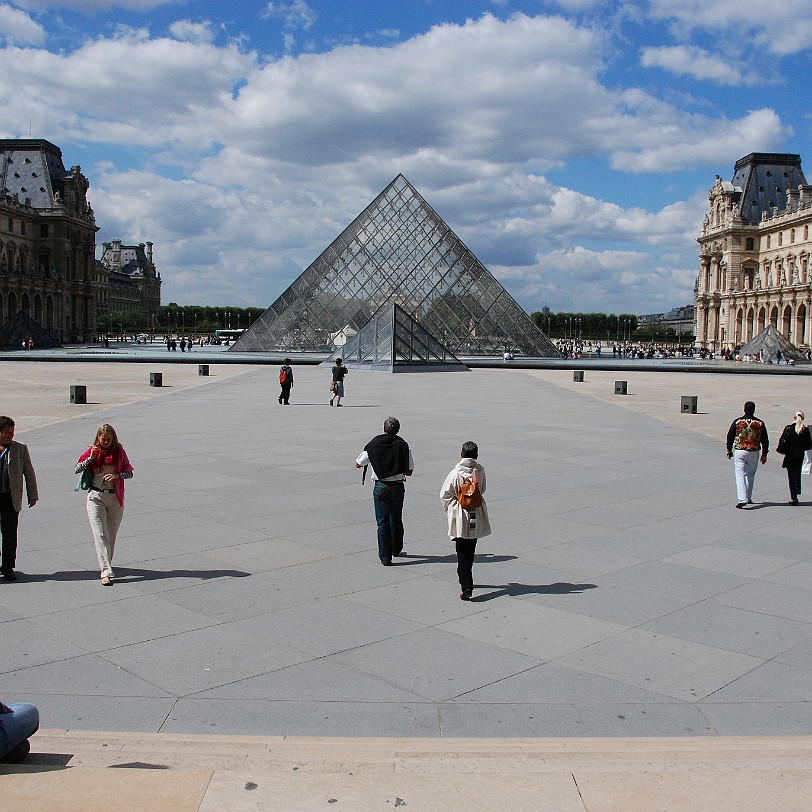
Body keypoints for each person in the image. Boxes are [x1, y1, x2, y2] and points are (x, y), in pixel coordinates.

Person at [75, 424, 134, 585]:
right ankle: (106, 571)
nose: (106, 442)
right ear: (98, 438)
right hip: (95, 497)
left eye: (109, 439)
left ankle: (106, 565)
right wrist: (91, 458)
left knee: (110, 536)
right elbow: (77, 469)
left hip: (115, 498)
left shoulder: (119, 452)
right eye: (103, 439)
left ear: (113, 438)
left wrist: (116, 475)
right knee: (100, 535)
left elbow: (130, 473)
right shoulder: (93, 451)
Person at [355, 417, 414, 565]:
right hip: (397, 485)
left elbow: (358, 463)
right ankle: (396, 548)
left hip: (380, 486)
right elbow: (409, 471)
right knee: (396, 518)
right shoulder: (403, 445)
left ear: (384, 428)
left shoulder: (374, 444)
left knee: (382, 523)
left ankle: (385, 557)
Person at [440, 441, 491, 600]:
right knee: (470, 550)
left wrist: (451, 509)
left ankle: (466, 585)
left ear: (461, 454)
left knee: (461, 552)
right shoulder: (480, 471)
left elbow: (444, 495)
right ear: (476, 456)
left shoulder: (455, 473)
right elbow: (482, 489)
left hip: (460, 515)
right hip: (475, 513)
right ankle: (466, 577)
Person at [0, 416, 39, 581]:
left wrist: (33, 495)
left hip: (10, 498)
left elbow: (29, 472)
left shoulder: (19, 449)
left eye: (12, 432)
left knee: (9, 534)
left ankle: (8, 567)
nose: (11, 435)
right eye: (7, 433)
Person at [726, 401, 769, 508]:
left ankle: (742, 498)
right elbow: (765, 440)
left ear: (744, 409)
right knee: (750, 474)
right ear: (754, 410)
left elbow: (730, 435)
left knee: (740, 474)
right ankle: (748, 497)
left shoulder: (738, 421)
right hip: (754, 451)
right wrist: (764, 454)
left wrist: (729, 449)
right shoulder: (759, 423)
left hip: (740, 450)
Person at [776, 410, 812, 505]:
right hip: (800, 455)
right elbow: (808, 445)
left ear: (794, 417)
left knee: (791, 476)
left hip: (790, 455)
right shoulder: (805, 429)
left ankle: (794, 497)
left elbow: (783, 440)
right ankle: (797, 490)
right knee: (797, 474)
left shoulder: (789, 428)